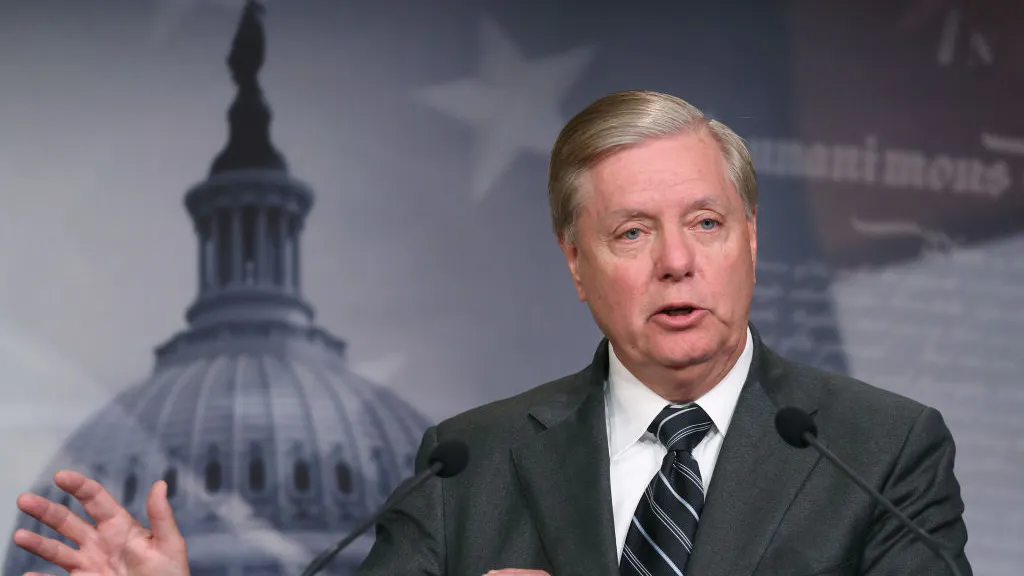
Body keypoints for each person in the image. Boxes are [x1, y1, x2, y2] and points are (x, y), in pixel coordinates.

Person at [12, 90, 972, 576]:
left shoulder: (880, 455)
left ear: (752, 243)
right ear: (575, 263)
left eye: (707, 224)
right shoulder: (466, 463)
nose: (677, 261)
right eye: (632, 233)